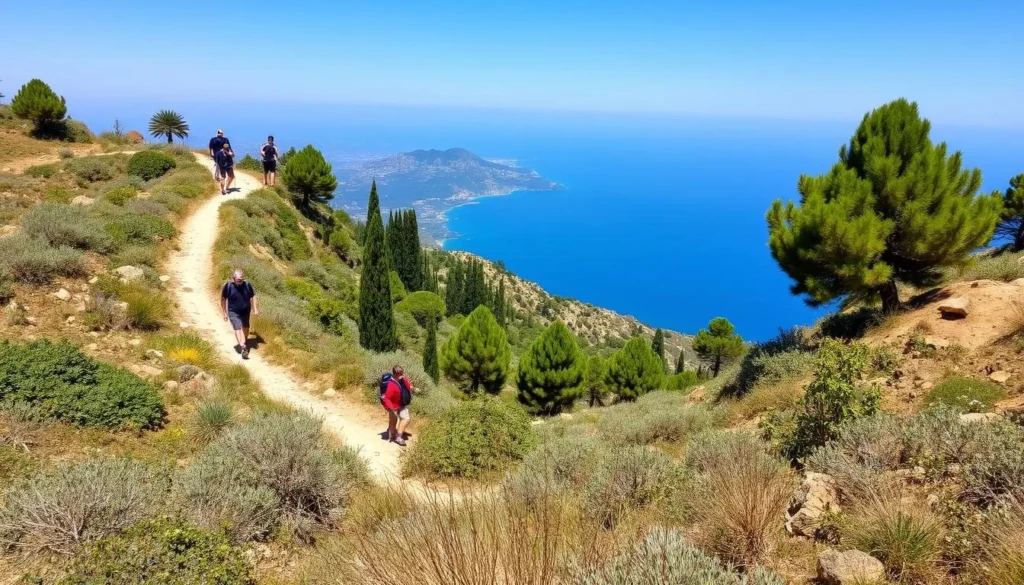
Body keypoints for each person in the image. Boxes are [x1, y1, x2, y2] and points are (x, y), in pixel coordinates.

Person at [220, 269, 259, 359]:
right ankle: (243, 346)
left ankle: (243, 342)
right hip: (233, 311)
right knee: (237, 327)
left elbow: (253, 296)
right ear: (233, 279)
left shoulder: (247, 285)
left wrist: (255, 309)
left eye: (241, 279)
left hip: (245, 311)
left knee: (246, 327)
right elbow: (223, 299)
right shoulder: (228, 286)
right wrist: (224, 312)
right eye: (238, 280)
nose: (240, 281)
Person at [381, 365, 415, 446]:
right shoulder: (391, 384)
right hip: (392, 406)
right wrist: (390, 408)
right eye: (399, 374)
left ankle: (398, 435)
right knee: (393, 421)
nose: (400, 375)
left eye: (401, 373)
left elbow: (407, 387)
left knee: (406, 418)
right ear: (394, 374)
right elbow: (387, 398)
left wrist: (411, 387)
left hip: (401, 404)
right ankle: (393, 436)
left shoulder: (403, 380)